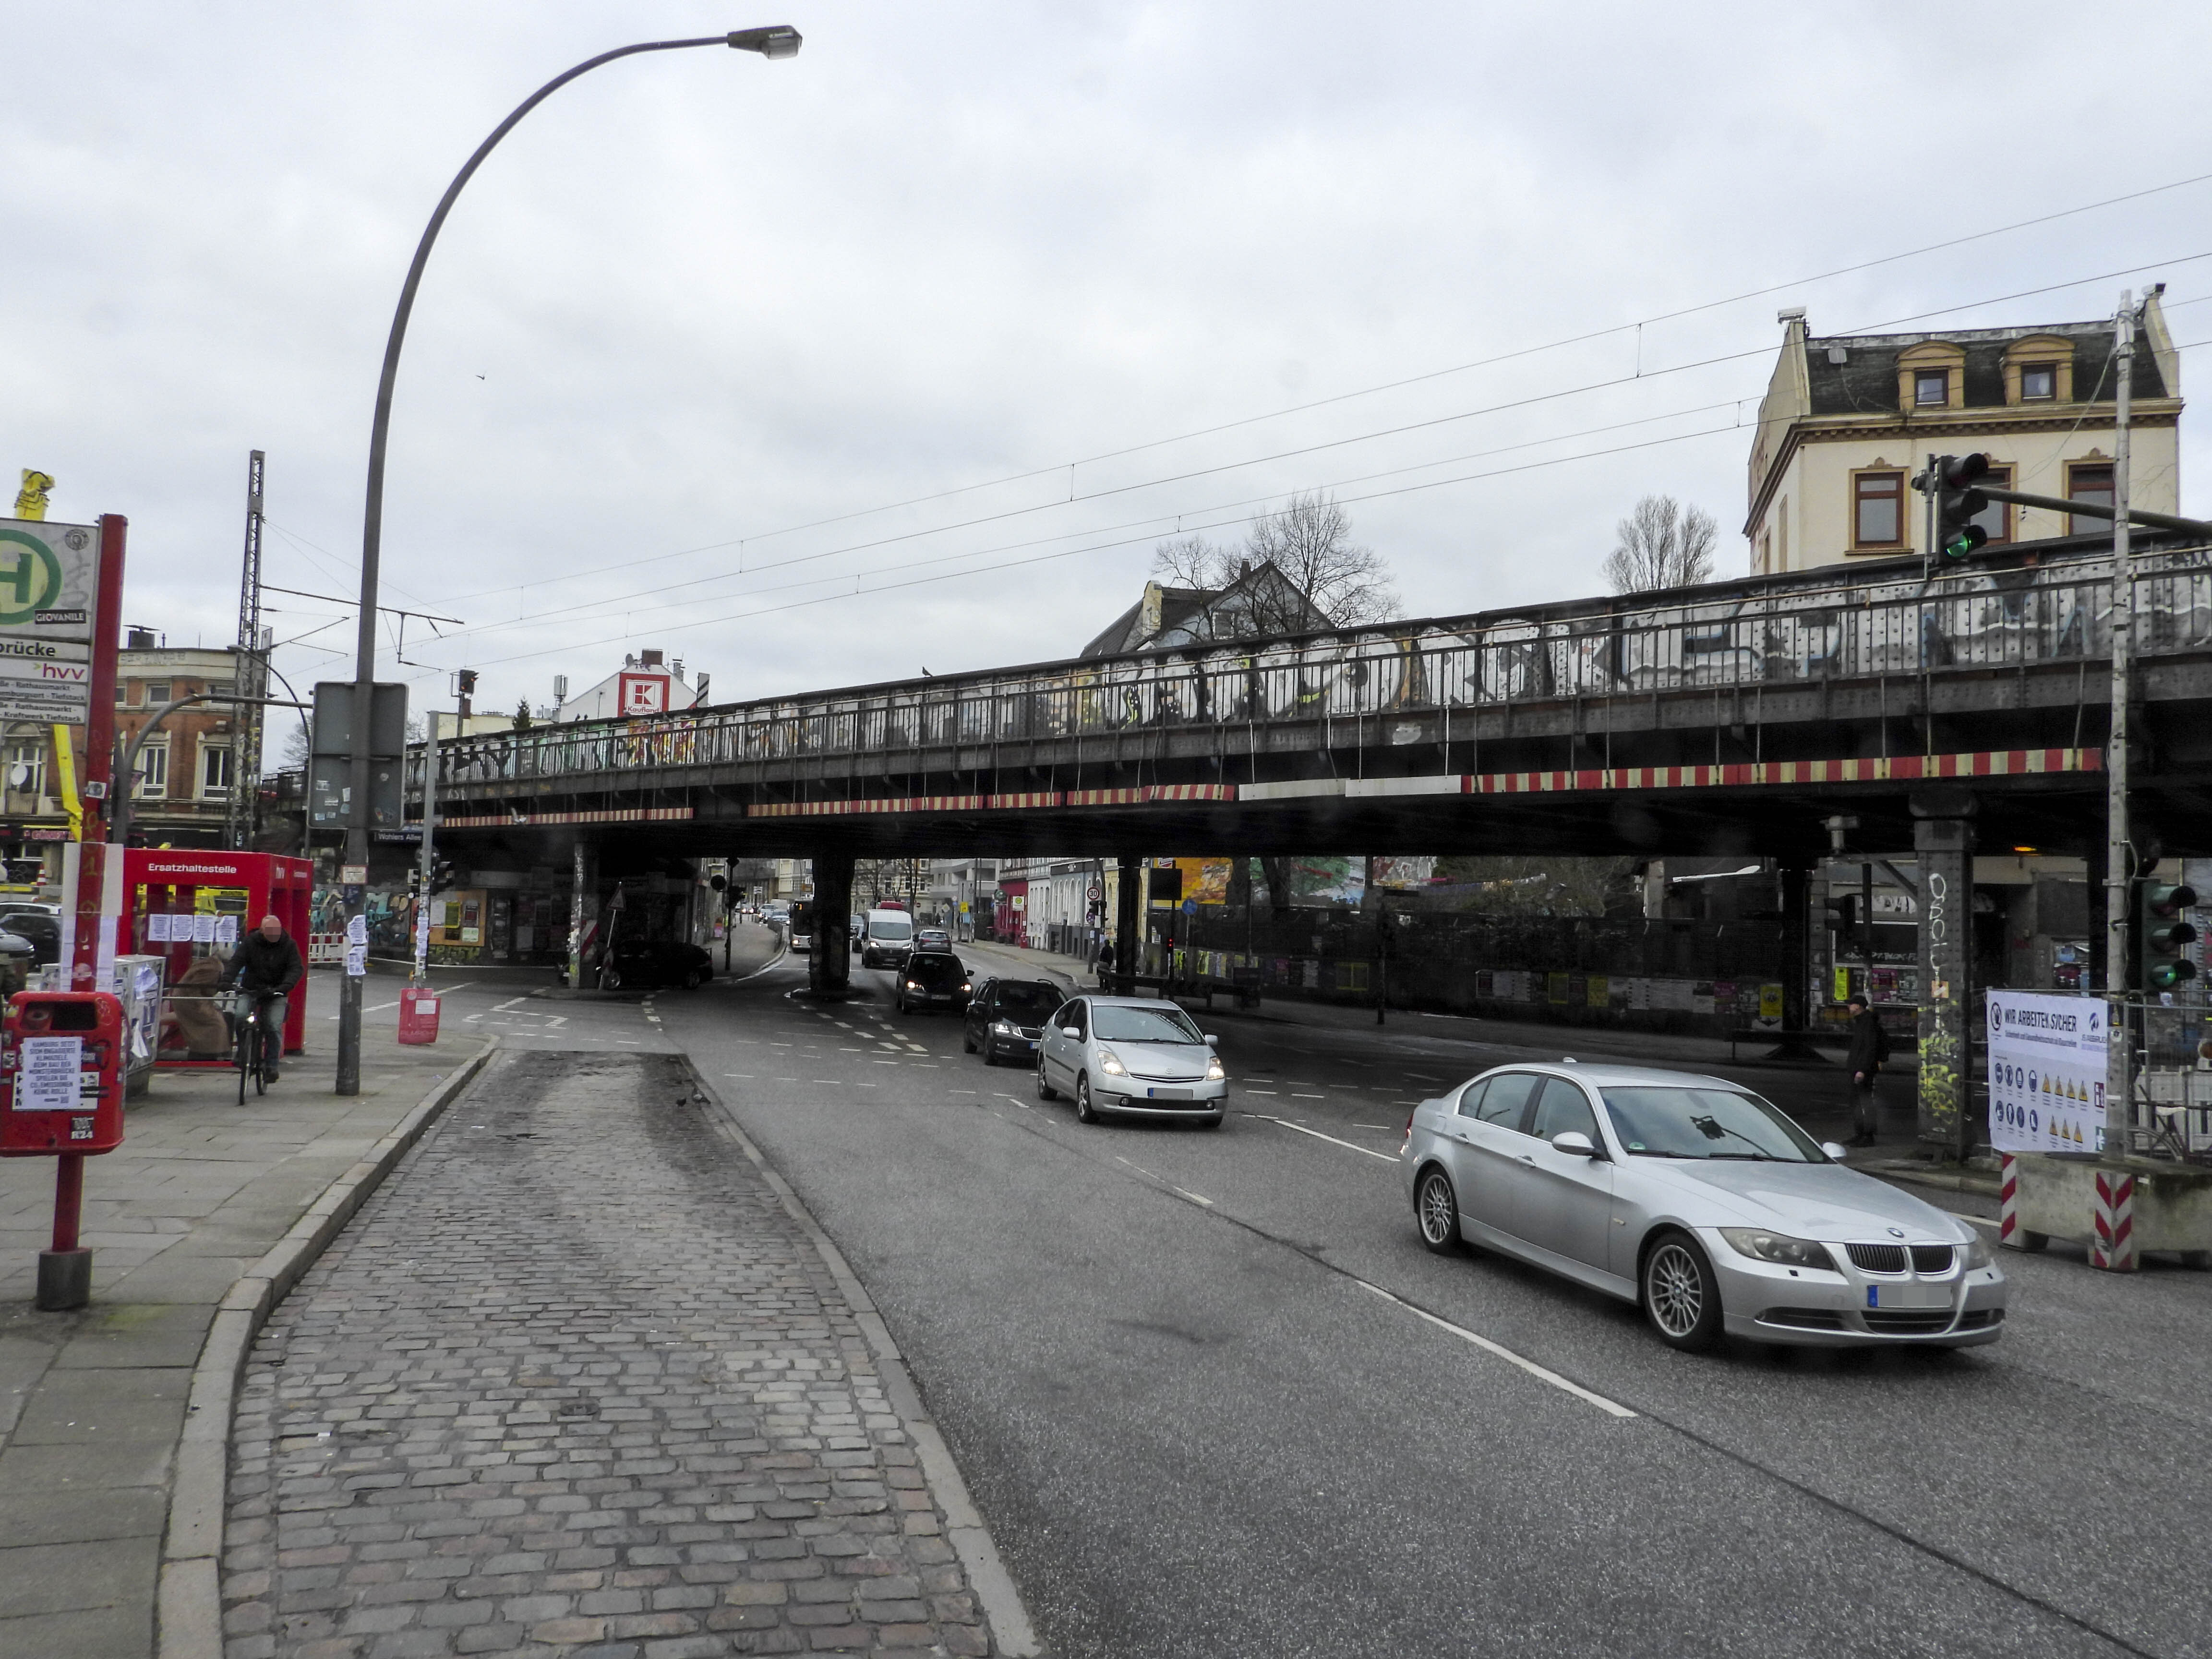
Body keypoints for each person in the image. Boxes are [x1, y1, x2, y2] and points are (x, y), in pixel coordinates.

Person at [221, 914, 305, 1082]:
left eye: (277, 931)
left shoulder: (289, 945)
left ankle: (271, 1065)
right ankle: (243, 1052)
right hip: (251, 989)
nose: (274, 934)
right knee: (240, 1016)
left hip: (276, 991)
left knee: (273, 1026)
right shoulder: (250, 943)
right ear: (262, 931)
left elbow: (296, 969)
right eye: (270, 931)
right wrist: (226, 981)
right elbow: (236, 963)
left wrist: (284, 987)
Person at [1844, 993, 1889, 1146]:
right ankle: (1860, 1133)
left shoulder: (1867, 1024)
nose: (1848, 1007)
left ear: (1857, 1006)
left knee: (1864, 1102)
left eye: (1850, 1004)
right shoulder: (1862, 1022)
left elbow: (1870, 1049)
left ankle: (1867, 1136)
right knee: (1857, 1102)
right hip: (1858, 1068)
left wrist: (1862, 1070)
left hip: (1863, 1070)